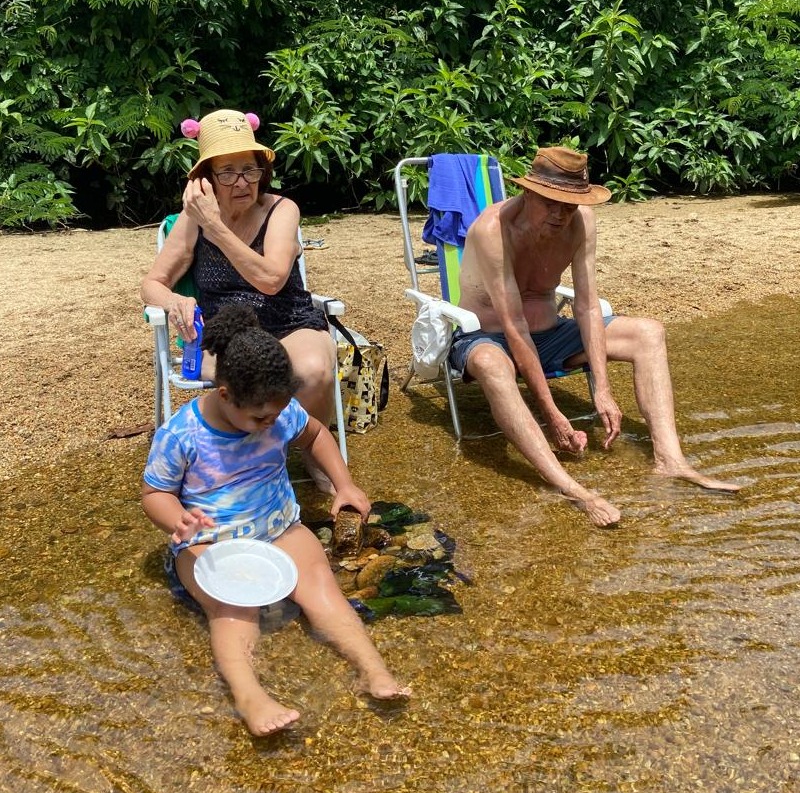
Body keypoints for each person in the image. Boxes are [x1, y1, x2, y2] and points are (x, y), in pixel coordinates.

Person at [141, 305, 409, 736]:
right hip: (210, 543)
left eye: (276, 415)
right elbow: (154, 493)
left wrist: (344, 484)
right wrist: (180, 520)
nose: (270, 424)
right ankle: (250, 696)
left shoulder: (280, 413)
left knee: (321, 587)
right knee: (233, 609)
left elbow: (316, 434)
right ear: (224, 394)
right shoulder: (181, 434)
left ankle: (371, 668)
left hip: (278, 527)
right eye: (259, 417)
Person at [450, 145, 741, 528]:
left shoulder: (580, 222)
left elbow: (587, 306)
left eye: (569, 205)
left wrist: (602, 388)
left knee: (648, 332)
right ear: (528, 193)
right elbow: (514, 325)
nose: (560, 214)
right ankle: (572, 488)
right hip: (491, 338)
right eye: (551, 203)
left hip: (551, 335)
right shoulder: (493, 230)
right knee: (490, 363)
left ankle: (671, 460)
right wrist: (552, 413)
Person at [140, 108, 336, 489]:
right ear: (206, 179)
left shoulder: (281, 210)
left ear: (263, 171)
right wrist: (173, 301)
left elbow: (272, 280)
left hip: (289, 320)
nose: (242, 182)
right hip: (227, 332)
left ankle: (313, 452)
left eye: (250, 169)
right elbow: (151, 283)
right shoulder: (193, 220)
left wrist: (215, 226)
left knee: (314, 369)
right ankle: (252, 459)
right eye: (227, 172)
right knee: (243, 375)